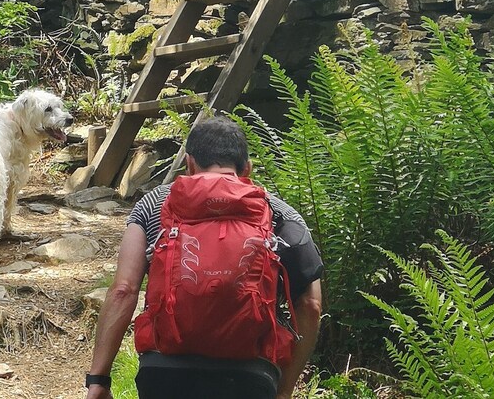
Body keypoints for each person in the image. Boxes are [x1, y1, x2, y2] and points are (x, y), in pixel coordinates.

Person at [85, 115, 324, 399]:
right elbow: (310, 305)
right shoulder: (279, 212)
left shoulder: (154, 203)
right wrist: (284, 390)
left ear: (189, 163)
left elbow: (124, 290)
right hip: (250, 374)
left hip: (164, 369)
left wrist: (99, 379)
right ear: (247, 167)